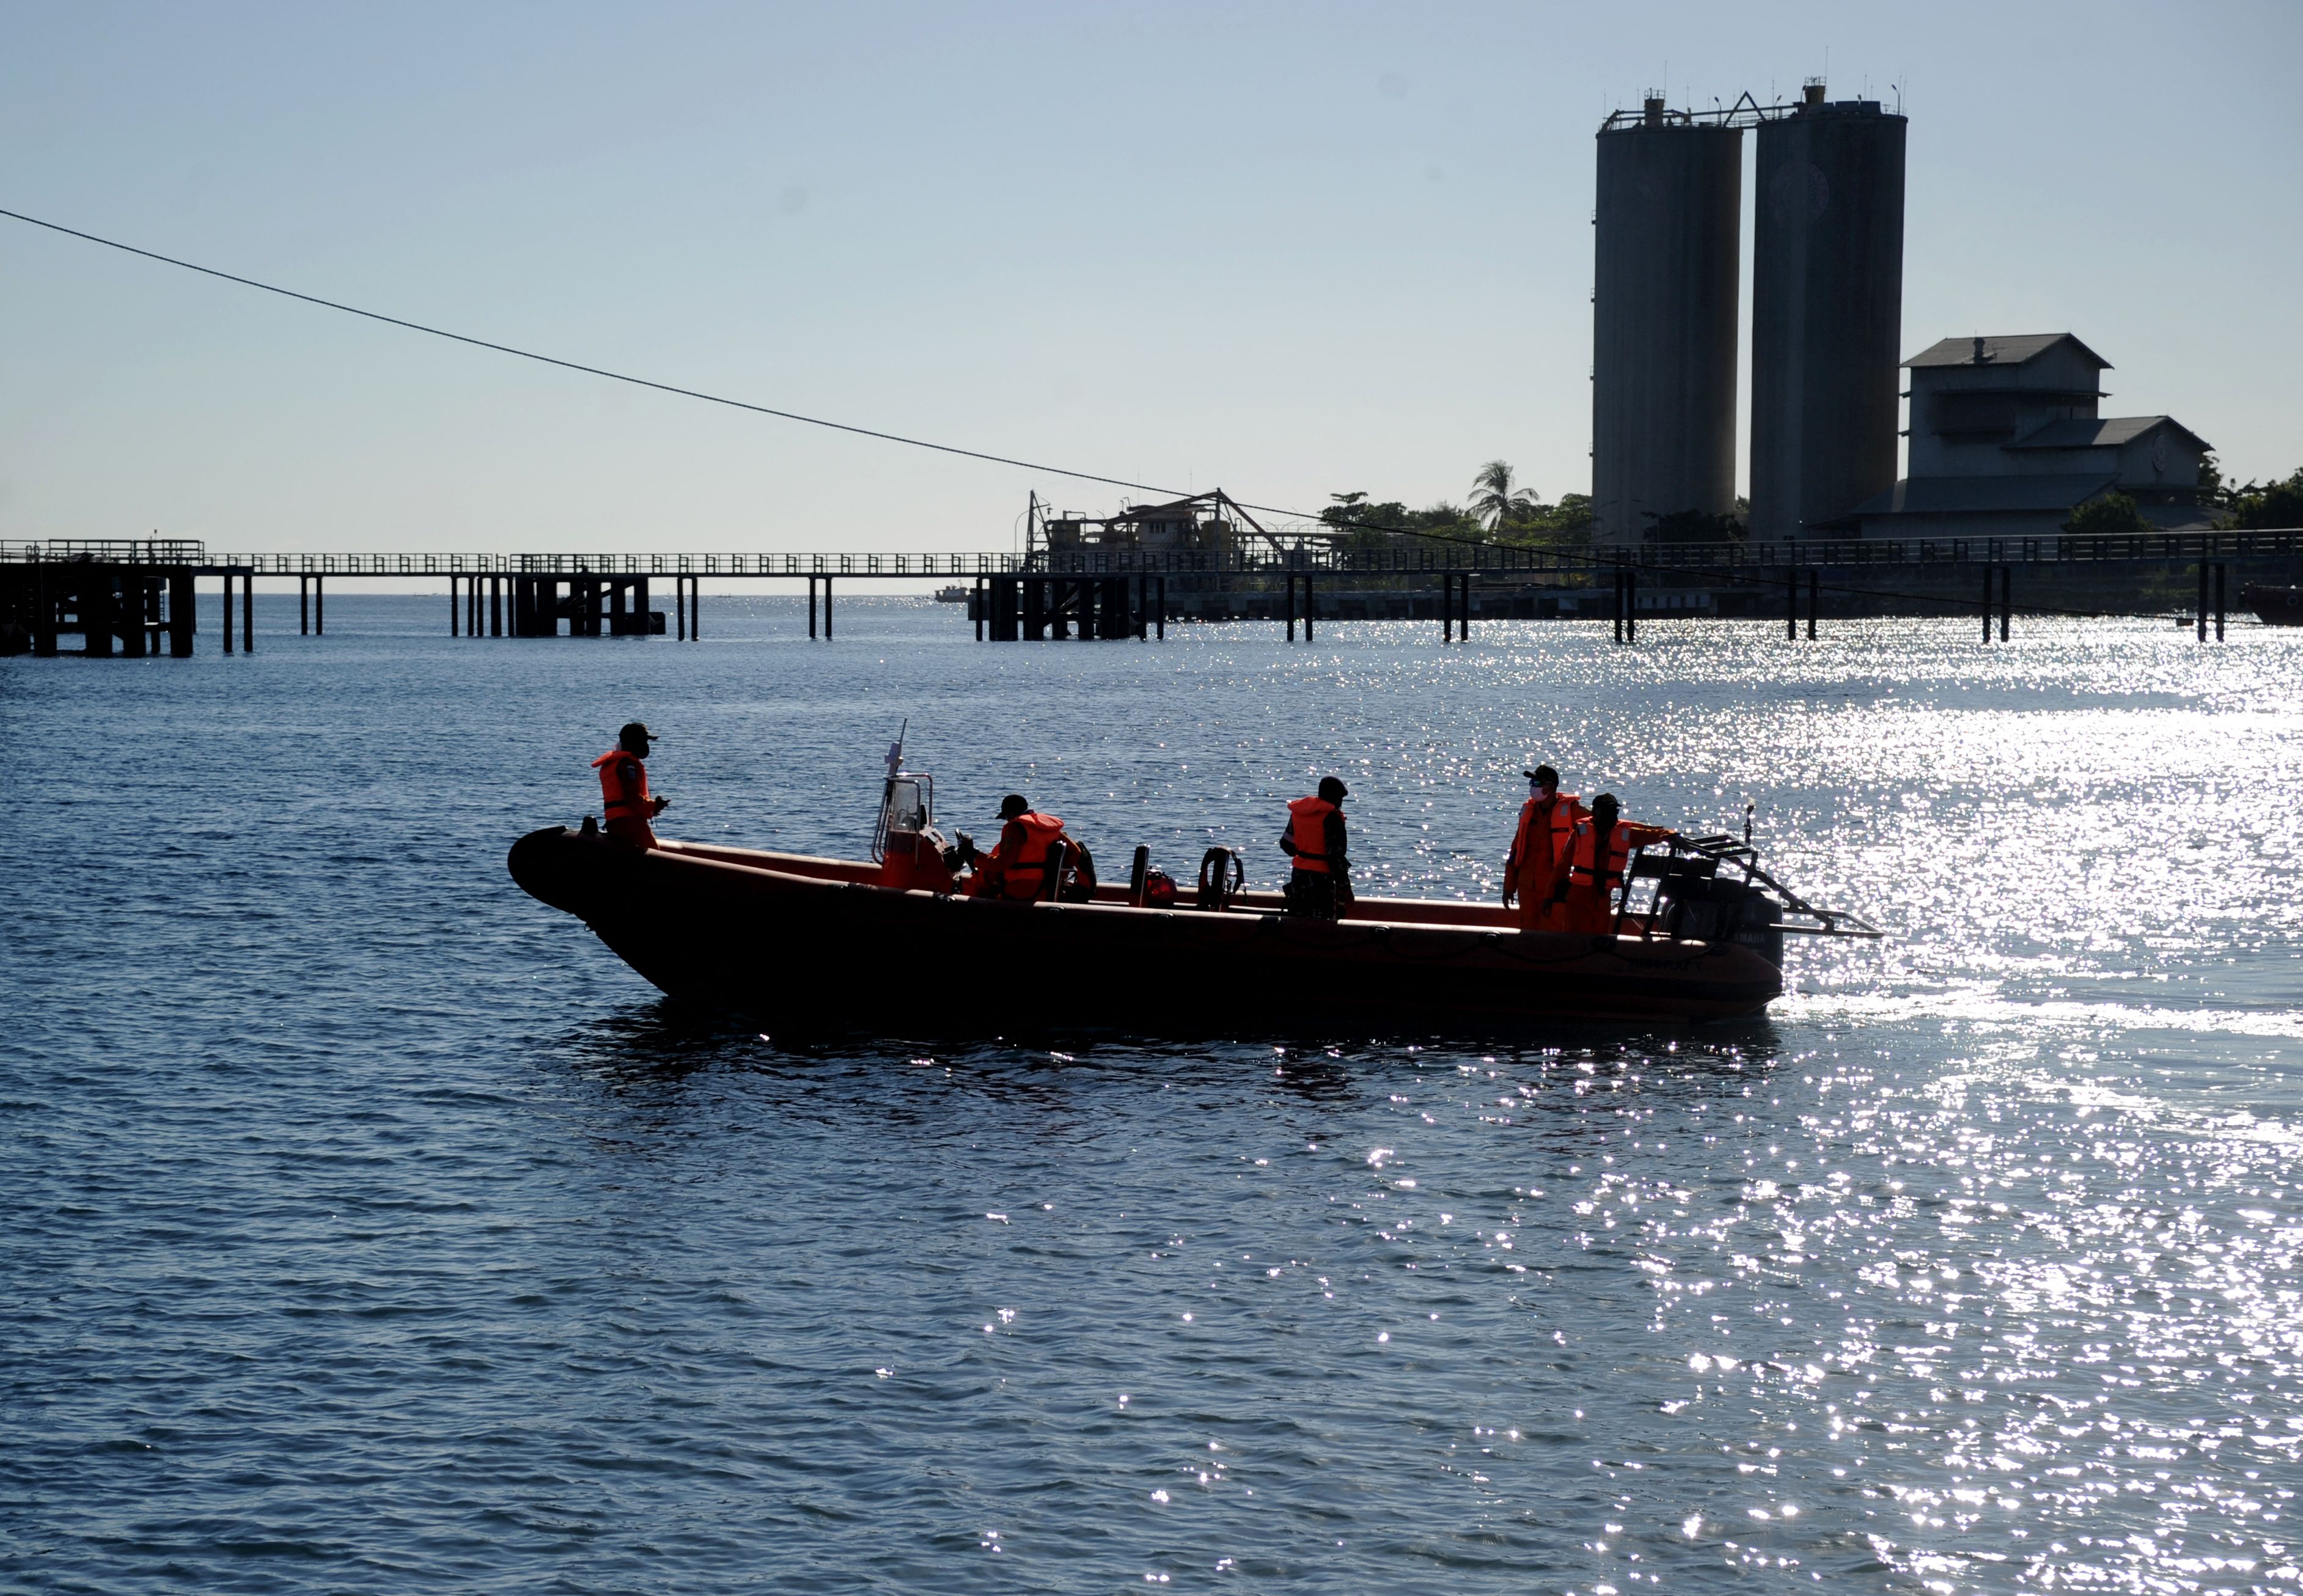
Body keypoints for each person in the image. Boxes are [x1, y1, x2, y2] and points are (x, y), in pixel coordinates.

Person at [1551, 792, 1675, 936]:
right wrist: (1549, 896)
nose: (1612, 815)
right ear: (1597, 812)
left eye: (1615, 811)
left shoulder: (1624, 834)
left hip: (1603, 898)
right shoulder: (1580, 832)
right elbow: (1563, 865)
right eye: (1608, 810)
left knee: (1600, 938)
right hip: (1578, 896)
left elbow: (1652, 834)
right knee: (1573, 938)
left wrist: (1670, 834)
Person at [1501, 764, 1587, 933]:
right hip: (1526, 887)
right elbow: (1516, 850)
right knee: (1527, 931)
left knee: (1552, 932)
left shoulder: (1572, 811)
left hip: (1553, 886)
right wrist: (1509, 887)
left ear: (1552, 786)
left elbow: (1601, 824)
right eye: (1532, 782)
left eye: (1538, 782)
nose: (1533, 786)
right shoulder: (1529, 811)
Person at [973, 793, 1078, 901]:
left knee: (986, 887)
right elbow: (1076, 852)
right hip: (1045, 890)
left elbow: (1003, 863)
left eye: (1006, 817)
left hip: (1019, 890)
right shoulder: (1050, 828)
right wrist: (1059, 877)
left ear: (1011, 813)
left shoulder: (1015, 828)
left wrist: (976, 856)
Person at [1280, 776, 1353, 920]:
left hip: (1299, 877)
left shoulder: (1299, 812)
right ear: (1335, 798)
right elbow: (1335, 857)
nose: (1341, 804)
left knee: (1297, 920)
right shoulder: (1333, 818)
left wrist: (1306, 851)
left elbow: (1287, 846)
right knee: (1322, 924)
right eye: (1340, 799)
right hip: (1322, 881)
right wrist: (1346, 887)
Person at [592, 721, 669, 848]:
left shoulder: (613, 763)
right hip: (630, 823)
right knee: (655, 860)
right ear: (632, 742)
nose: (645, 745)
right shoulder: (628, 765)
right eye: (643, 741)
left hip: (614, 823)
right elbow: (632, 798)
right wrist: (654, 806)